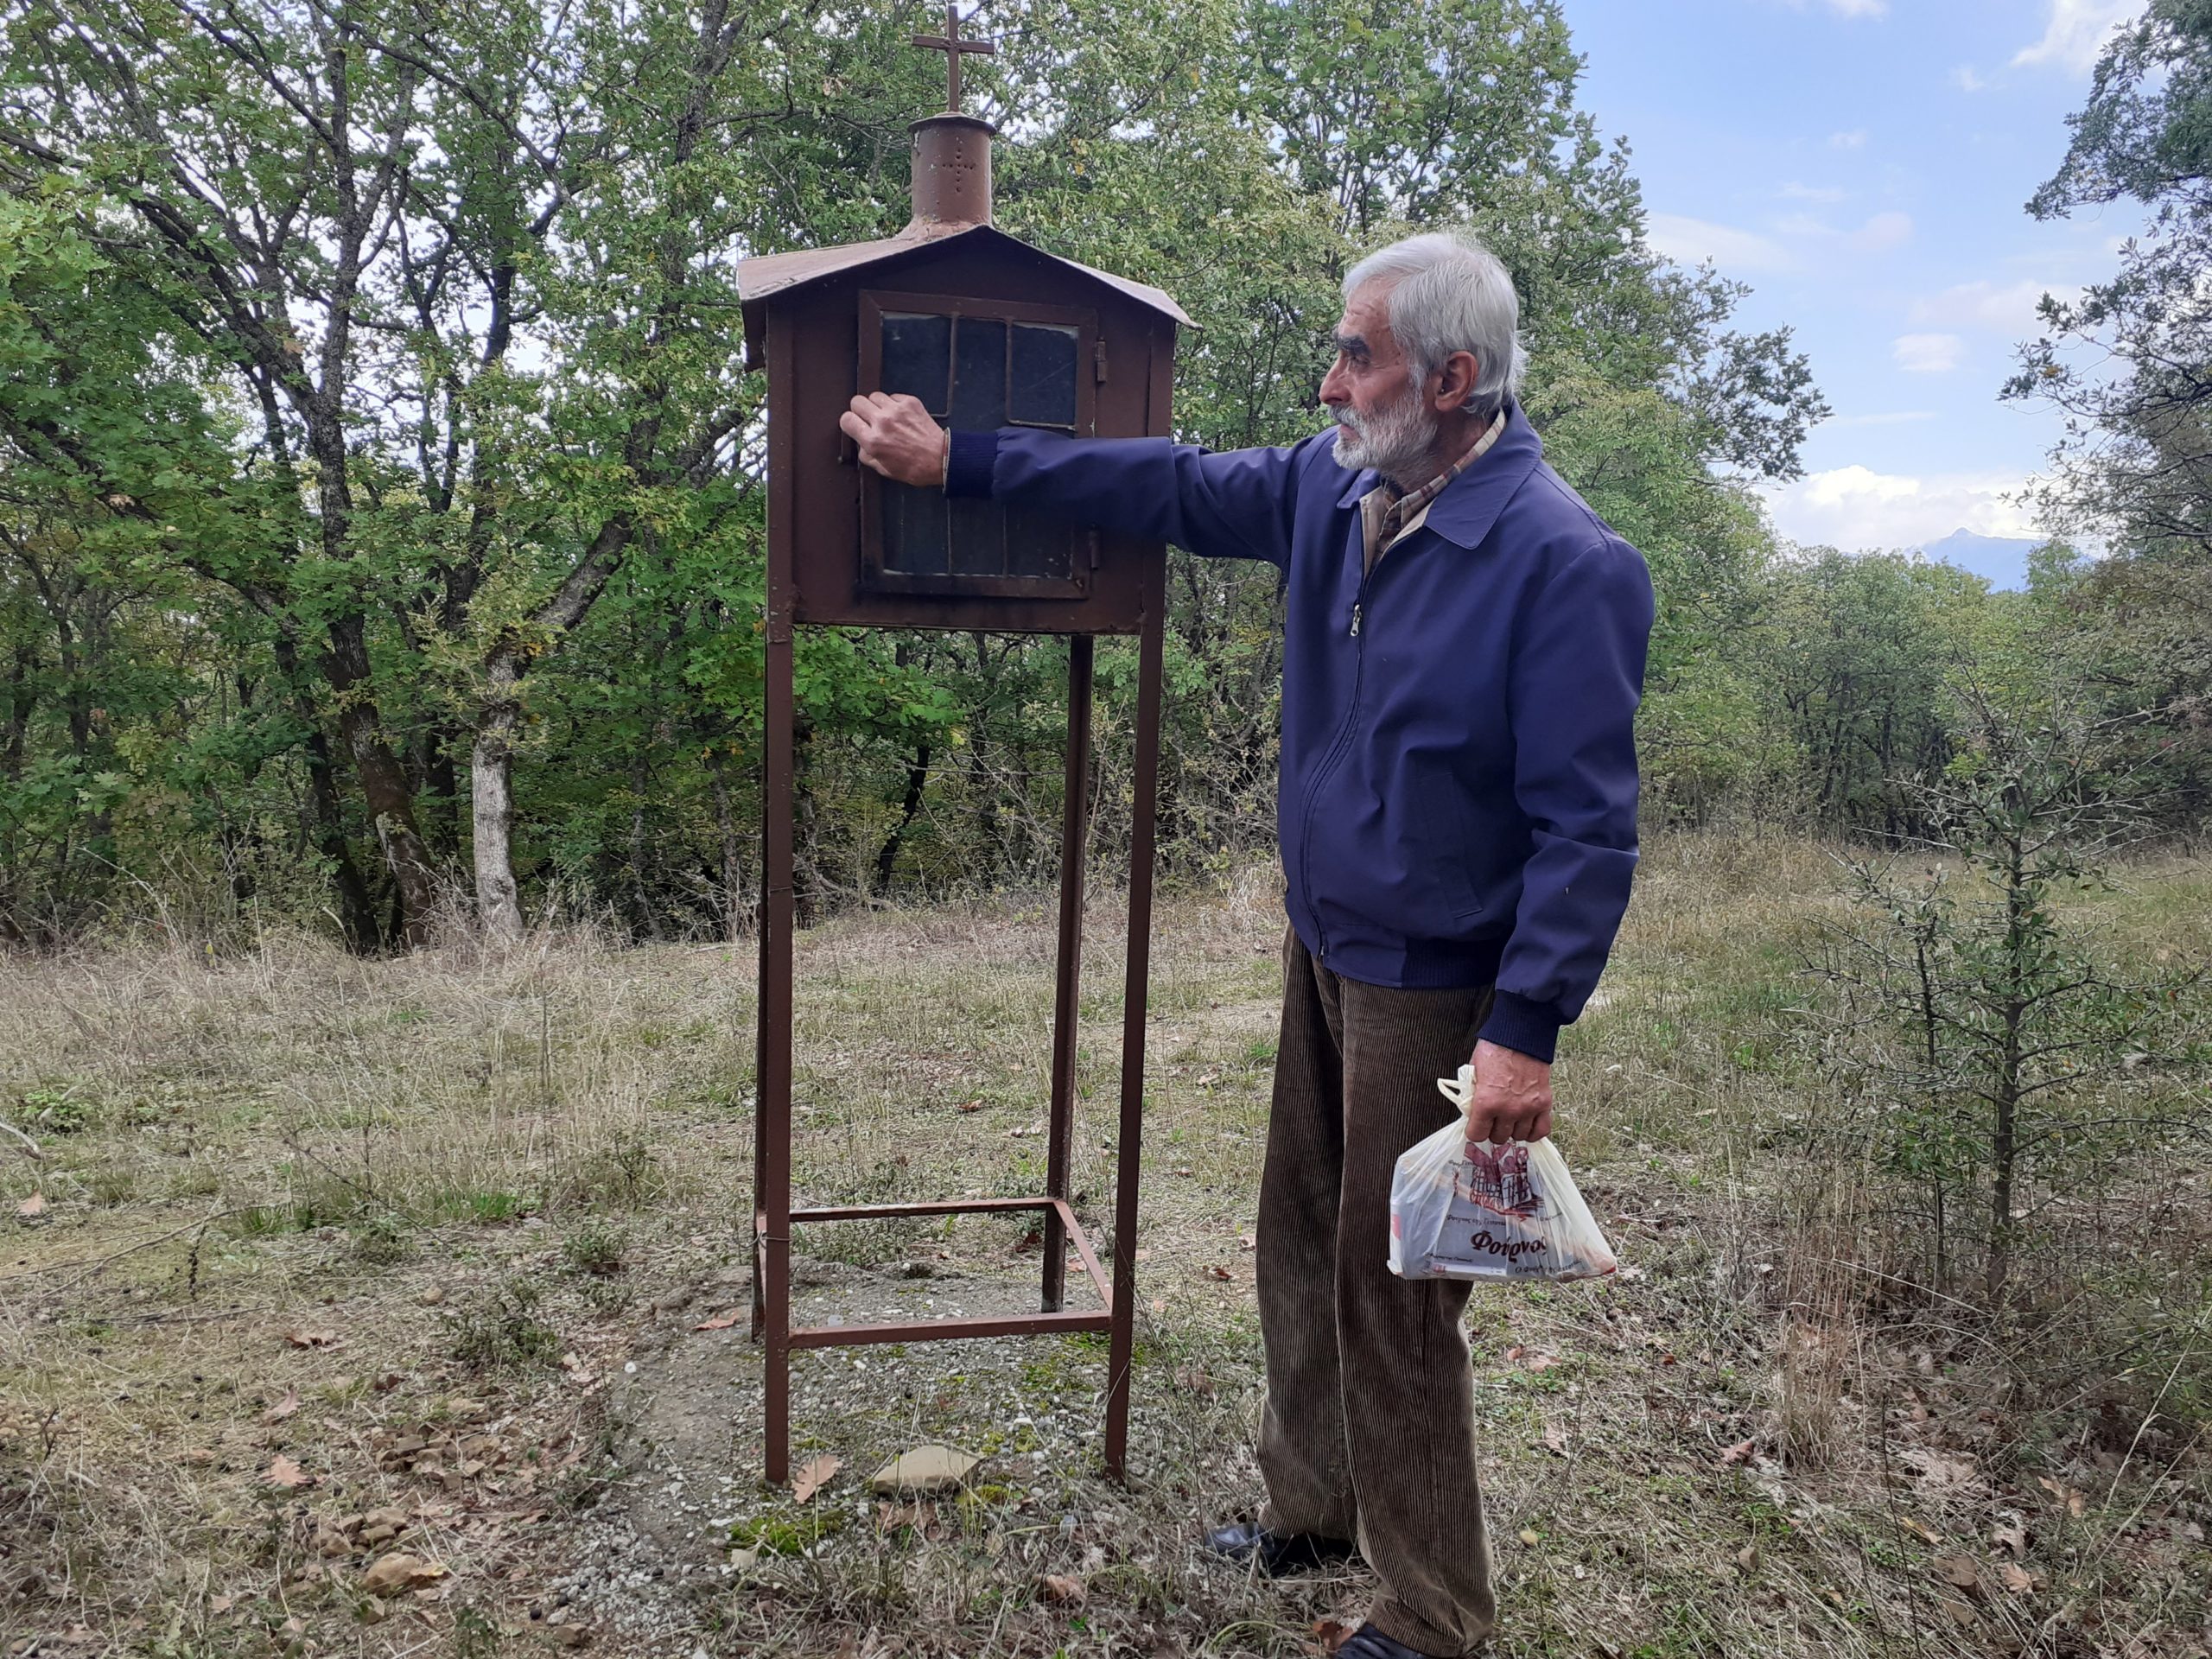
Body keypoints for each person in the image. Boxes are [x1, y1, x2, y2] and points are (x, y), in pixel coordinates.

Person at [841, 231, 1654, 1659]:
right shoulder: (1340, 488)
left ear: (1453, 380)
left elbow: (1587, 831)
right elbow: (1160, 481)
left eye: (1359, 356)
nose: (1329, 381)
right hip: (1328, 941)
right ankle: (1314, 1507)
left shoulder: (1561, 563)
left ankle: (1432, 1612)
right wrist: (957, 457)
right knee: (1295, 1230)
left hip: (1441, 983)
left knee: (1393, 1290)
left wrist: (1523, 1027)